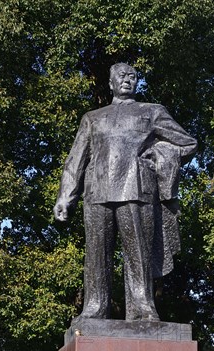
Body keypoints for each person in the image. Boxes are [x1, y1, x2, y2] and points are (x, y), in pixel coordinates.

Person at [53, 63, 197, 321]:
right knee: (96, 254)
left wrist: (160, 153)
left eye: (132, 77)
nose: (127, 80)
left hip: (137, 188)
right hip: (96, 192)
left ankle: (142, 307)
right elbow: (76, 159)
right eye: (122, 76)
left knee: (138, 253)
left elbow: (188, 144)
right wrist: (65, 196)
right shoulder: (92, 118)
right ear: (110, 83)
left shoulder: (151, 112)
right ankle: (94, 308)